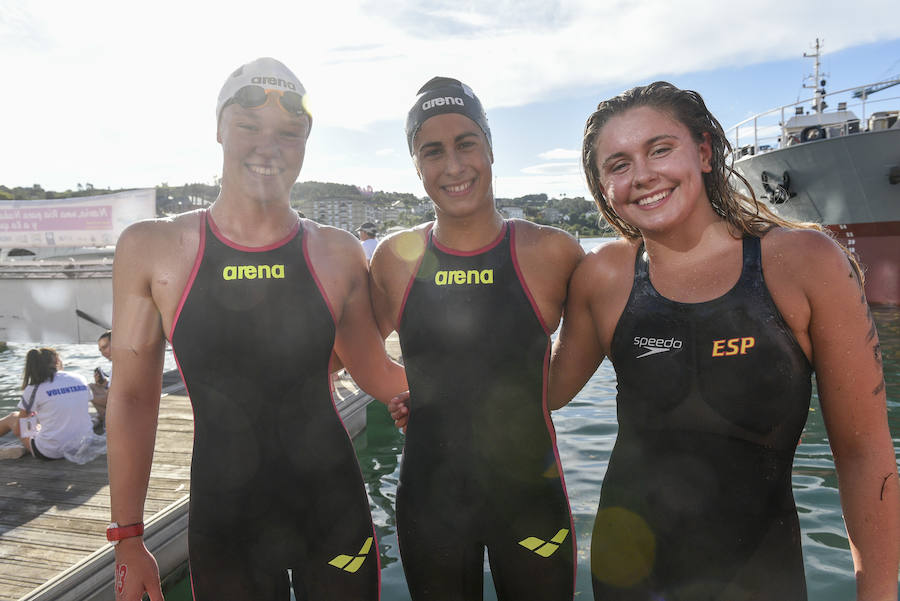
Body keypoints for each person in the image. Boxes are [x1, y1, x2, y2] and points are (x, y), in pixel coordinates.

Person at [549, 81, 899, 600]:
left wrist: (878, 593)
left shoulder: (803, 262)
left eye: (660, 149)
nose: (643, 175)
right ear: (604, 188)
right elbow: (543, 392)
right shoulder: (603, 276)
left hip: (760, 574)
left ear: (705, 152)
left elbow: (864, 450)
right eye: (618, 165)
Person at [106, 57, 408, 601]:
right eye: (249, 127)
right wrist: (128, 537)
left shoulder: (335, 252)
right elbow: (130, 397)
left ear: (306, 144)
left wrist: (480, 397)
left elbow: (377, 372)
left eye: (289, 134)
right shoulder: (153, 249)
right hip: (227, 523)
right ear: (220, 129)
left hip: (332, 509)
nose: (268, 147)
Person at [371, 76, 584, 600]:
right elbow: (343, 350)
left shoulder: (552, 253)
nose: (454, 165)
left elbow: (569, 376)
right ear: (416, 166)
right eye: (432, 151)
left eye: (466, 143)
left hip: (530, 497)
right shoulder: (395, 261)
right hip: (430, 504)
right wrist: (412, 391)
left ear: (490, 148)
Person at [0, 347, 94, 460]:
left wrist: (28, 425)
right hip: (83, 444)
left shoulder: (34, 388)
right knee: (37, 419)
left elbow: (18, 431)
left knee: (13, 418)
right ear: (57, 360)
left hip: (51, 452)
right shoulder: (80, 378)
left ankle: (20, 449)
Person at [88, 330, 112, 432]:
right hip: (121, 404)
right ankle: (102, 417)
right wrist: (103, 384)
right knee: (92, 386)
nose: (103, 353)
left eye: (105, 347)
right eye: (100, 350)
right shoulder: (118, 363)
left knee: (88, 392)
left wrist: (86, 396)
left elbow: (109, 400)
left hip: (122, 409)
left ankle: (108, 421)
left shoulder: (119, 366)